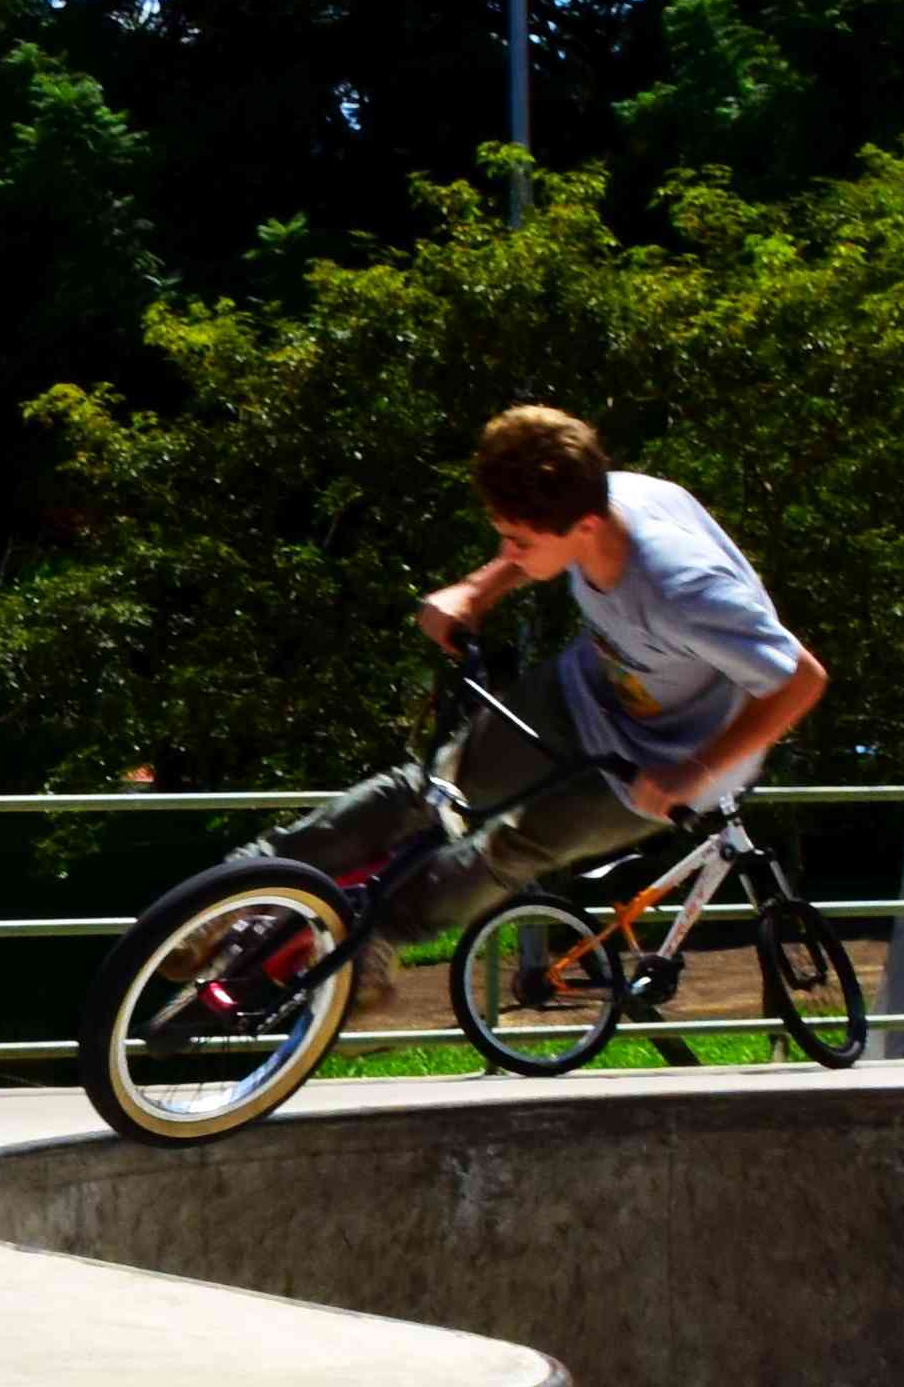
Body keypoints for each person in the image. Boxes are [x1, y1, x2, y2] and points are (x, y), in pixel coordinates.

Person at [238, 405, 828, 1018]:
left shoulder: (687, 587)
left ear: (587, 527)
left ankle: (377, 939)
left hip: (671, 761)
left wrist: (695, 772)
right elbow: (530, 546)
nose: (508, 550)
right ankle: (247, 882)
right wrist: (477, 589)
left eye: (520, 542)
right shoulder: (598, 495)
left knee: (510, 849)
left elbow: (801, 681)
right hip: (584, 692)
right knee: (436, 785)